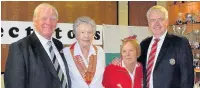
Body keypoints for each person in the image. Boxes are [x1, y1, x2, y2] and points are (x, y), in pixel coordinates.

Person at [4, 3, 71, 88]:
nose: (49, 22)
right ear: (34, 21)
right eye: (44, 18)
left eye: (53, 18)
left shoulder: (59, 45)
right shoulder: (20, 48)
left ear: (57, 22)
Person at [138, 5, 194, 88]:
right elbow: (136, 68)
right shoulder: (144, 44)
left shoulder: (180, 43)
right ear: (149, 24)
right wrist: (119, 62)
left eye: (160, 19)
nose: (156, 23)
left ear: (167, 21)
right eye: (152, 20)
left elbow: (187, 78)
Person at [63, 16, 105, 88]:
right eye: (82, 32)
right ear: (76, 35)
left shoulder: (100, 51)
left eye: (89, 32)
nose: (86, 36)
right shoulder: (66, 53)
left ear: (93, 35)